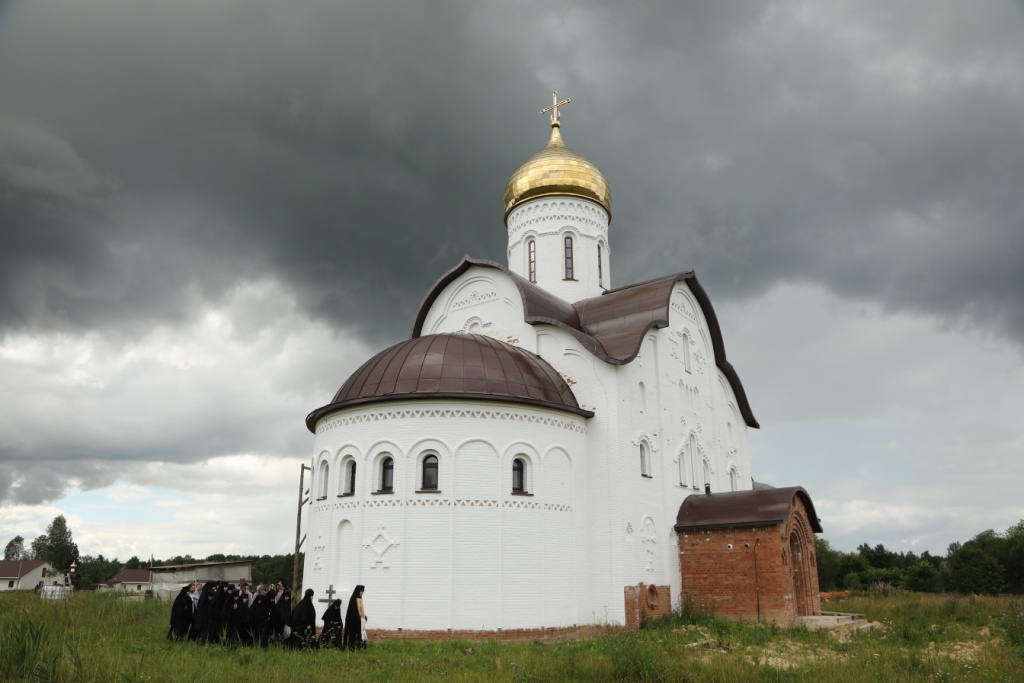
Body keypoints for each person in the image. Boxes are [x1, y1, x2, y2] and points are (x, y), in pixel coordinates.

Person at [343, 585, 366, 650]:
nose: (362, 593)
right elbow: (353, 611)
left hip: (358, 621)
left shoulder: (360, 598)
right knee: (352, 635)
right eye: (361, 591)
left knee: (359, 635)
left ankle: (359, 647)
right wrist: (357, 617)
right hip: (352, 620)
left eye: (363, 591)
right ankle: (351, 648)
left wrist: (363, 617)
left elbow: (361, 610)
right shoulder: (353, 598)